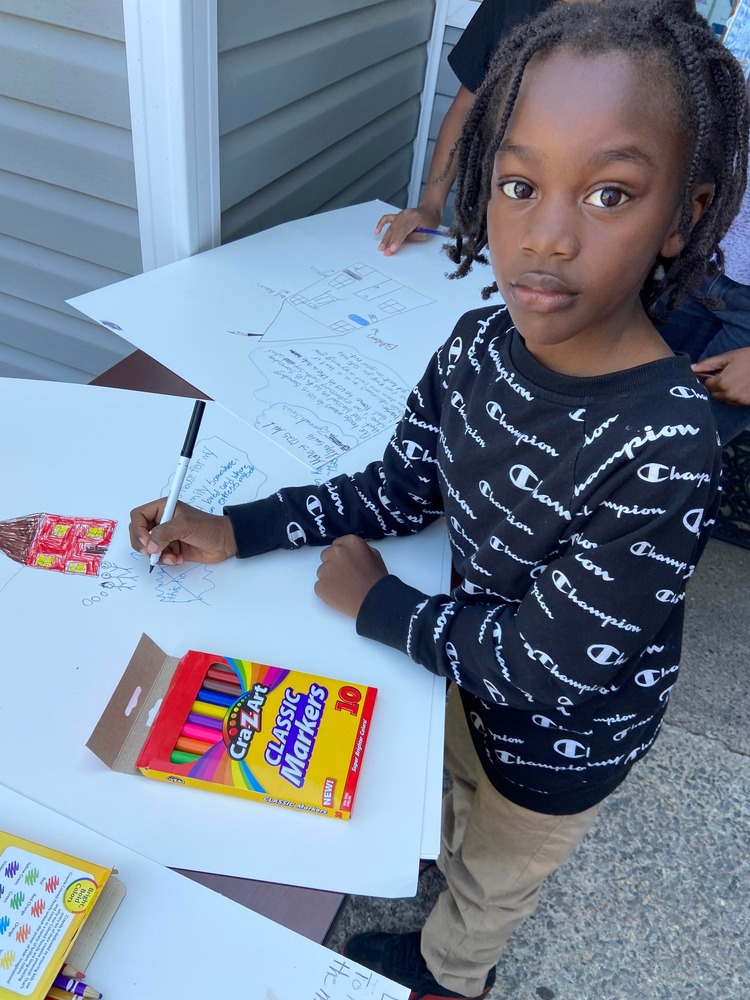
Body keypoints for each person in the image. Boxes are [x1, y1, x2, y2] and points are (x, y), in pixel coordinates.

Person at [129, 2, 748, 997]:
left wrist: (382, 606)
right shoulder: (474, 349)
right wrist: (234, 528)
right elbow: (395, 486)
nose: (545, 235)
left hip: (556, 751)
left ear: (683, 213)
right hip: (464, 671)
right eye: (519, 183)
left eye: (610, 194)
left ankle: (453, 975)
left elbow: (547, 668)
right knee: (448, 797)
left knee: (490, 878)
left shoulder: (667, 446)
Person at [375, 0, 596, 257]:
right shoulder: (505, 6)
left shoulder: (645, 16)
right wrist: (431, 205)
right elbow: (464, 109)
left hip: (592, 227)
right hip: (502, 211)